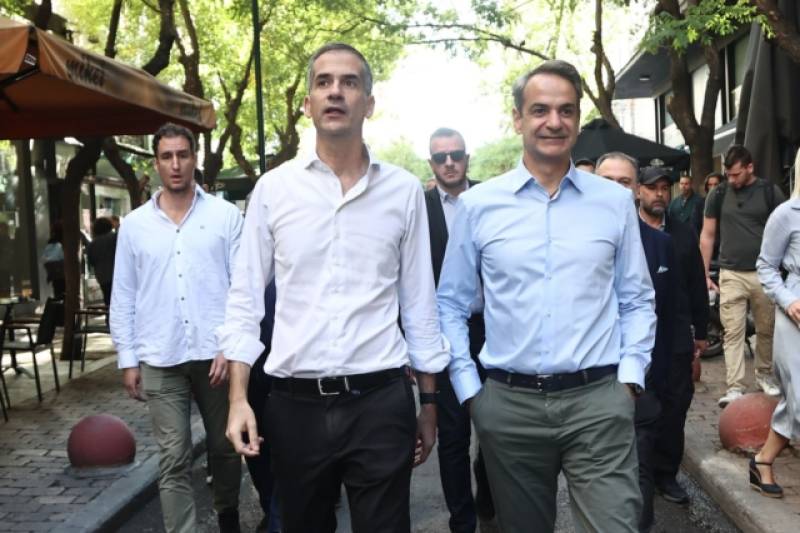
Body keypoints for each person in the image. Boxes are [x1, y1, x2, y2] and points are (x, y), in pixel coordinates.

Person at [219, 43, 448, 533]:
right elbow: (243, 301)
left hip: (380, 400)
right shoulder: (274, 190)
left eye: (349, 82)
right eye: (323, 82)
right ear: (308, 103)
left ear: (369, 102)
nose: (335, 92)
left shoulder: (404, 190)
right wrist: (239, 399)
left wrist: (429, 406)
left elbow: (420, 304)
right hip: (294, 406)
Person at [438, 59, 656, 532]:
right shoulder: (478, 206)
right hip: (509, 407)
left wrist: (630, 377)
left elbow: (637, 298)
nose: (553, 122)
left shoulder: (614, 202)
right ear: (518, 119)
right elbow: (451, 304)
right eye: (540, 110)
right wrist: (471, 391)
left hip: (599, 401)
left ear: (576, 119)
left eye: (566, 110)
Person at [110, 123, 244, 533]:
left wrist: (230, 345)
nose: (175, 164)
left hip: (215, 355)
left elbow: (243, 288)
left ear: (194, 158)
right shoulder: (134, 225)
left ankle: (228, 514)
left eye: (182, 155)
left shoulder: (224, 216)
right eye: (167, 156)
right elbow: (124, 294)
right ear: (156, 163)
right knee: (173, 456)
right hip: (160, 355)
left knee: (224, 445)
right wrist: (127, 359)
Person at [595, 153, 676, 533]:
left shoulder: (660, 244)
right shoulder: (565, 243)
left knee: (639, 471)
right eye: (606, 180)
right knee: (596, 481)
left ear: (636, 190)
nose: (615, 189)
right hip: (586, 386)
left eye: (624, 182)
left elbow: (671, 314)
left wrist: (658, 380)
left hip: (641, 383)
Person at [425, 127, 495, 533]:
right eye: (440, 157)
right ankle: (462, 522)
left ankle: (488, 494)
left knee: (496, 426)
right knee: (452, 435)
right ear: (431, 163)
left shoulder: (491, 199)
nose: (449, 163)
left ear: (467, 158)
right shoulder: (419, 208)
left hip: (494, 330)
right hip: (444, 334)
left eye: (456, 155)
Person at [635, 167, 709, 507]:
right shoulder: (627, 231)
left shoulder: (682, 232)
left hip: (676, 333)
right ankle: (639, 472)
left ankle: (666, 473)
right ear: (639, 191)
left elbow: (696, 283)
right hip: (639, 335)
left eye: (665, 188)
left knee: (675, 405)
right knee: (641, 405)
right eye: (653, 188)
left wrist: (701, 332)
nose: (660, 194)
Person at [700, 145, 785, 407]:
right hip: (730, 272)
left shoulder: (769, 192)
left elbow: (786, 229)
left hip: (764, 272)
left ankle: (764, 375)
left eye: (736, 174)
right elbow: (707, 235)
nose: (732, 179)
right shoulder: (718, 193)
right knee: (732, 331)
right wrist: (703, 273)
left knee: (766, 329)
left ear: (750, 167)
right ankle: (735, 386)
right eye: (728, 174)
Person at [750, 148, 800, 499]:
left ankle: (763, 459)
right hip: (795, 316)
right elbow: (765, 266)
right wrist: (789, 300)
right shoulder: (786, 214)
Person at [86, 217, 117, 308]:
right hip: (117, 274)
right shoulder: (115, 237)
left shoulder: (92, 244)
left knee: (108, 300)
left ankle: (109, 315)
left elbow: (91, 261)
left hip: (102, 276)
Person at [42, 221, 65, 298]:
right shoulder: (64, 242)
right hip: (63, 273)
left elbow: (46, 259)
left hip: (54, 275)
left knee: (58, 293)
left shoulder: (50, 242)